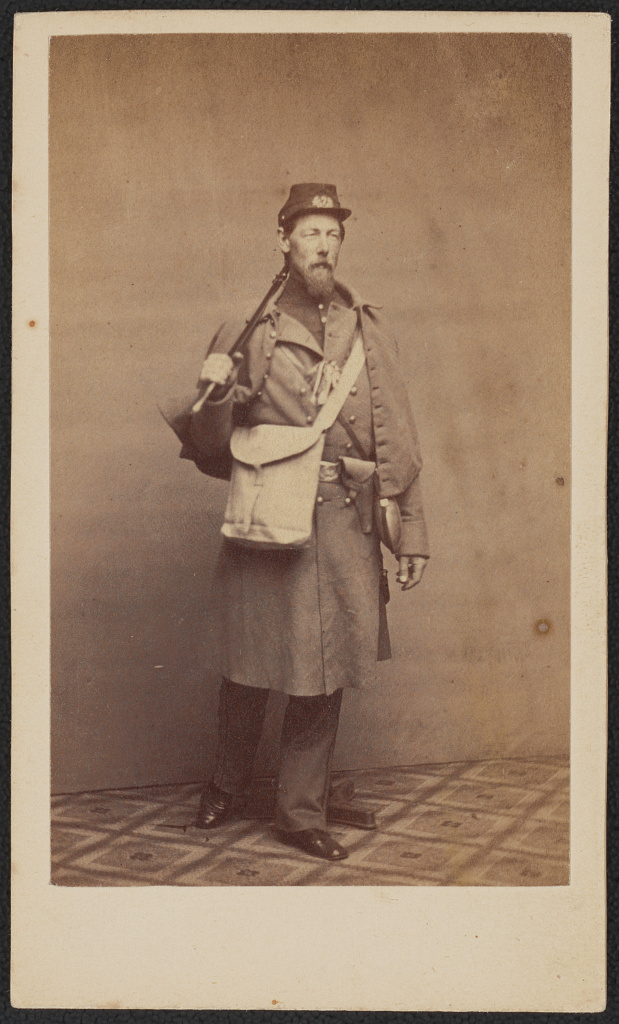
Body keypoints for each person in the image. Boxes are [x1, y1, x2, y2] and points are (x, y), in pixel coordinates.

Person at [165, 183, 429, 861]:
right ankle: (224, 786)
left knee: (324, 673)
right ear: (283, 240)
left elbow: (397, 438)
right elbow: (210, 449)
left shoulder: (367, 328)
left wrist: (412, 533)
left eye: (332, 234)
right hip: (268, 518)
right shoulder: (250, 327)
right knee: (247, 667)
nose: (323, 246)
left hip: (344, 525)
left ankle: (300, 812)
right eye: (310, 232)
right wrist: (215, 393)